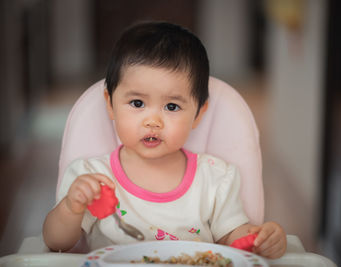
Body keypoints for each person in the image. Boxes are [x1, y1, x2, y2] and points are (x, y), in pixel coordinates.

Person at [42, 21, 287, 259]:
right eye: (137, 103)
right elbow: (56, 243)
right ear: (110, 104)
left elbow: (232, 240)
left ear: (198, 113)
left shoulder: (215, 178)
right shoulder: (91, 177)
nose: (153, 121)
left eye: (171, 106)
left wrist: (261, 240)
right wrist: (70, 208)